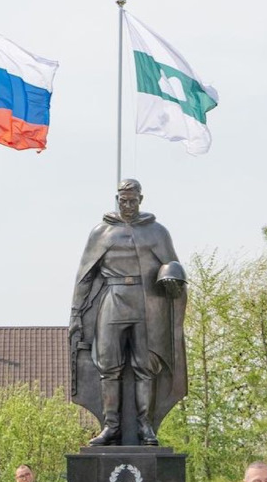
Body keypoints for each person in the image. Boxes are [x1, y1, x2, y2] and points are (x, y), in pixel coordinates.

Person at [70, 178, 187, 446]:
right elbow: (85, 276)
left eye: (133, 201)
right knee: (108, 366)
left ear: (141, 200)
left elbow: (173, 267)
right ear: (117, 199)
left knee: (145, 366)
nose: (128, 206)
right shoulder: (101, 232)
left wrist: (173, 281)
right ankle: (111, 425)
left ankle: (146, 424)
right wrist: (76, 313)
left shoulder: (157, 232)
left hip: (147, 303)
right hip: (113, 299)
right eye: (124, 201)